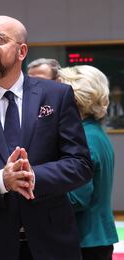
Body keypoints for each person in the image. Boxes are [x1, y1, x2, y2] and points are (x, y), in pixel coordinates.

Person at [0, 15, 93, 260]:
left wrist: (33, 177)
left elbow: (81, 164)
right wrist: (3, 180)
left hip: (54, 242)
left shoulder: (56, 96)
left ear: (22, 51)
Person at [59, 65, 119, 260]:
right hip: (96, 239)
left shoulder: (83, 138)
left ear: (74, 100)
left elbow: (77, 198)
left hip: (85, 242)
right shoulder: (95, 132)